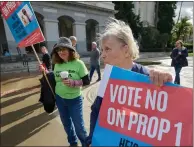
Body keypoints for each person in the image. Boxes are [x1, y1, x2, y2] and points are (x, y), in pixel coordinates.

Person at [86, 18, 173, 145]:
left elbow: (168, 119)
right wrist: (91, 139)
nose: (102, 55)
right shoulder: (108, 77)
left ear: (126, 50)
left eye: (107, 49)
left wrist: (165, 80)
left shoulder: (148, 77)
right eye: (102, 50)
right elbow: (96, 110)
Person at [39, 37, 90, 147]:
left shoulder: (79, 64)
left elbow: (87, 81)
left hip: (75, 100)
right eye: (58, 50)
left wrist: (74, 83)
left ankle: (85, 144)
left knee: (79, 127)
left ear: (70, 50)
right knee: (66, 124)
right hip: (60, 99)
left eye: (64, 49)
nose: (61, 52)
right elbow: (54, 78)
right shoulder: (57, 64)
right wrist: (45, 71)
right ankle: (73, 143)